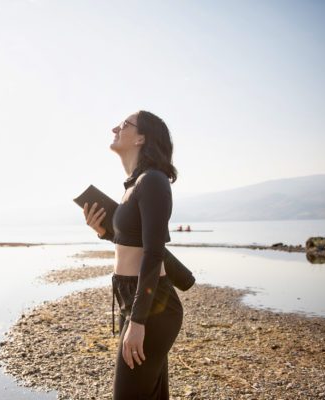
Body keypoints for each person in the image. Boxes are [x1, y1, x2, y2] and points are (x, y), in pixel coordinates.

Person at [82, 110, 183, 399]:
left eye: (124, 124)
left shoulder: (153, 181)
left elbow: (153, 252)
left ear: (142, 138)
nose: (115, 127)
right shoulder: (133, 185)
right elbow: (134, 242)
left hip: (152, 306)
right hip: (136, 298)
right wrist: (103, 231)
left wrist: (138, 322)